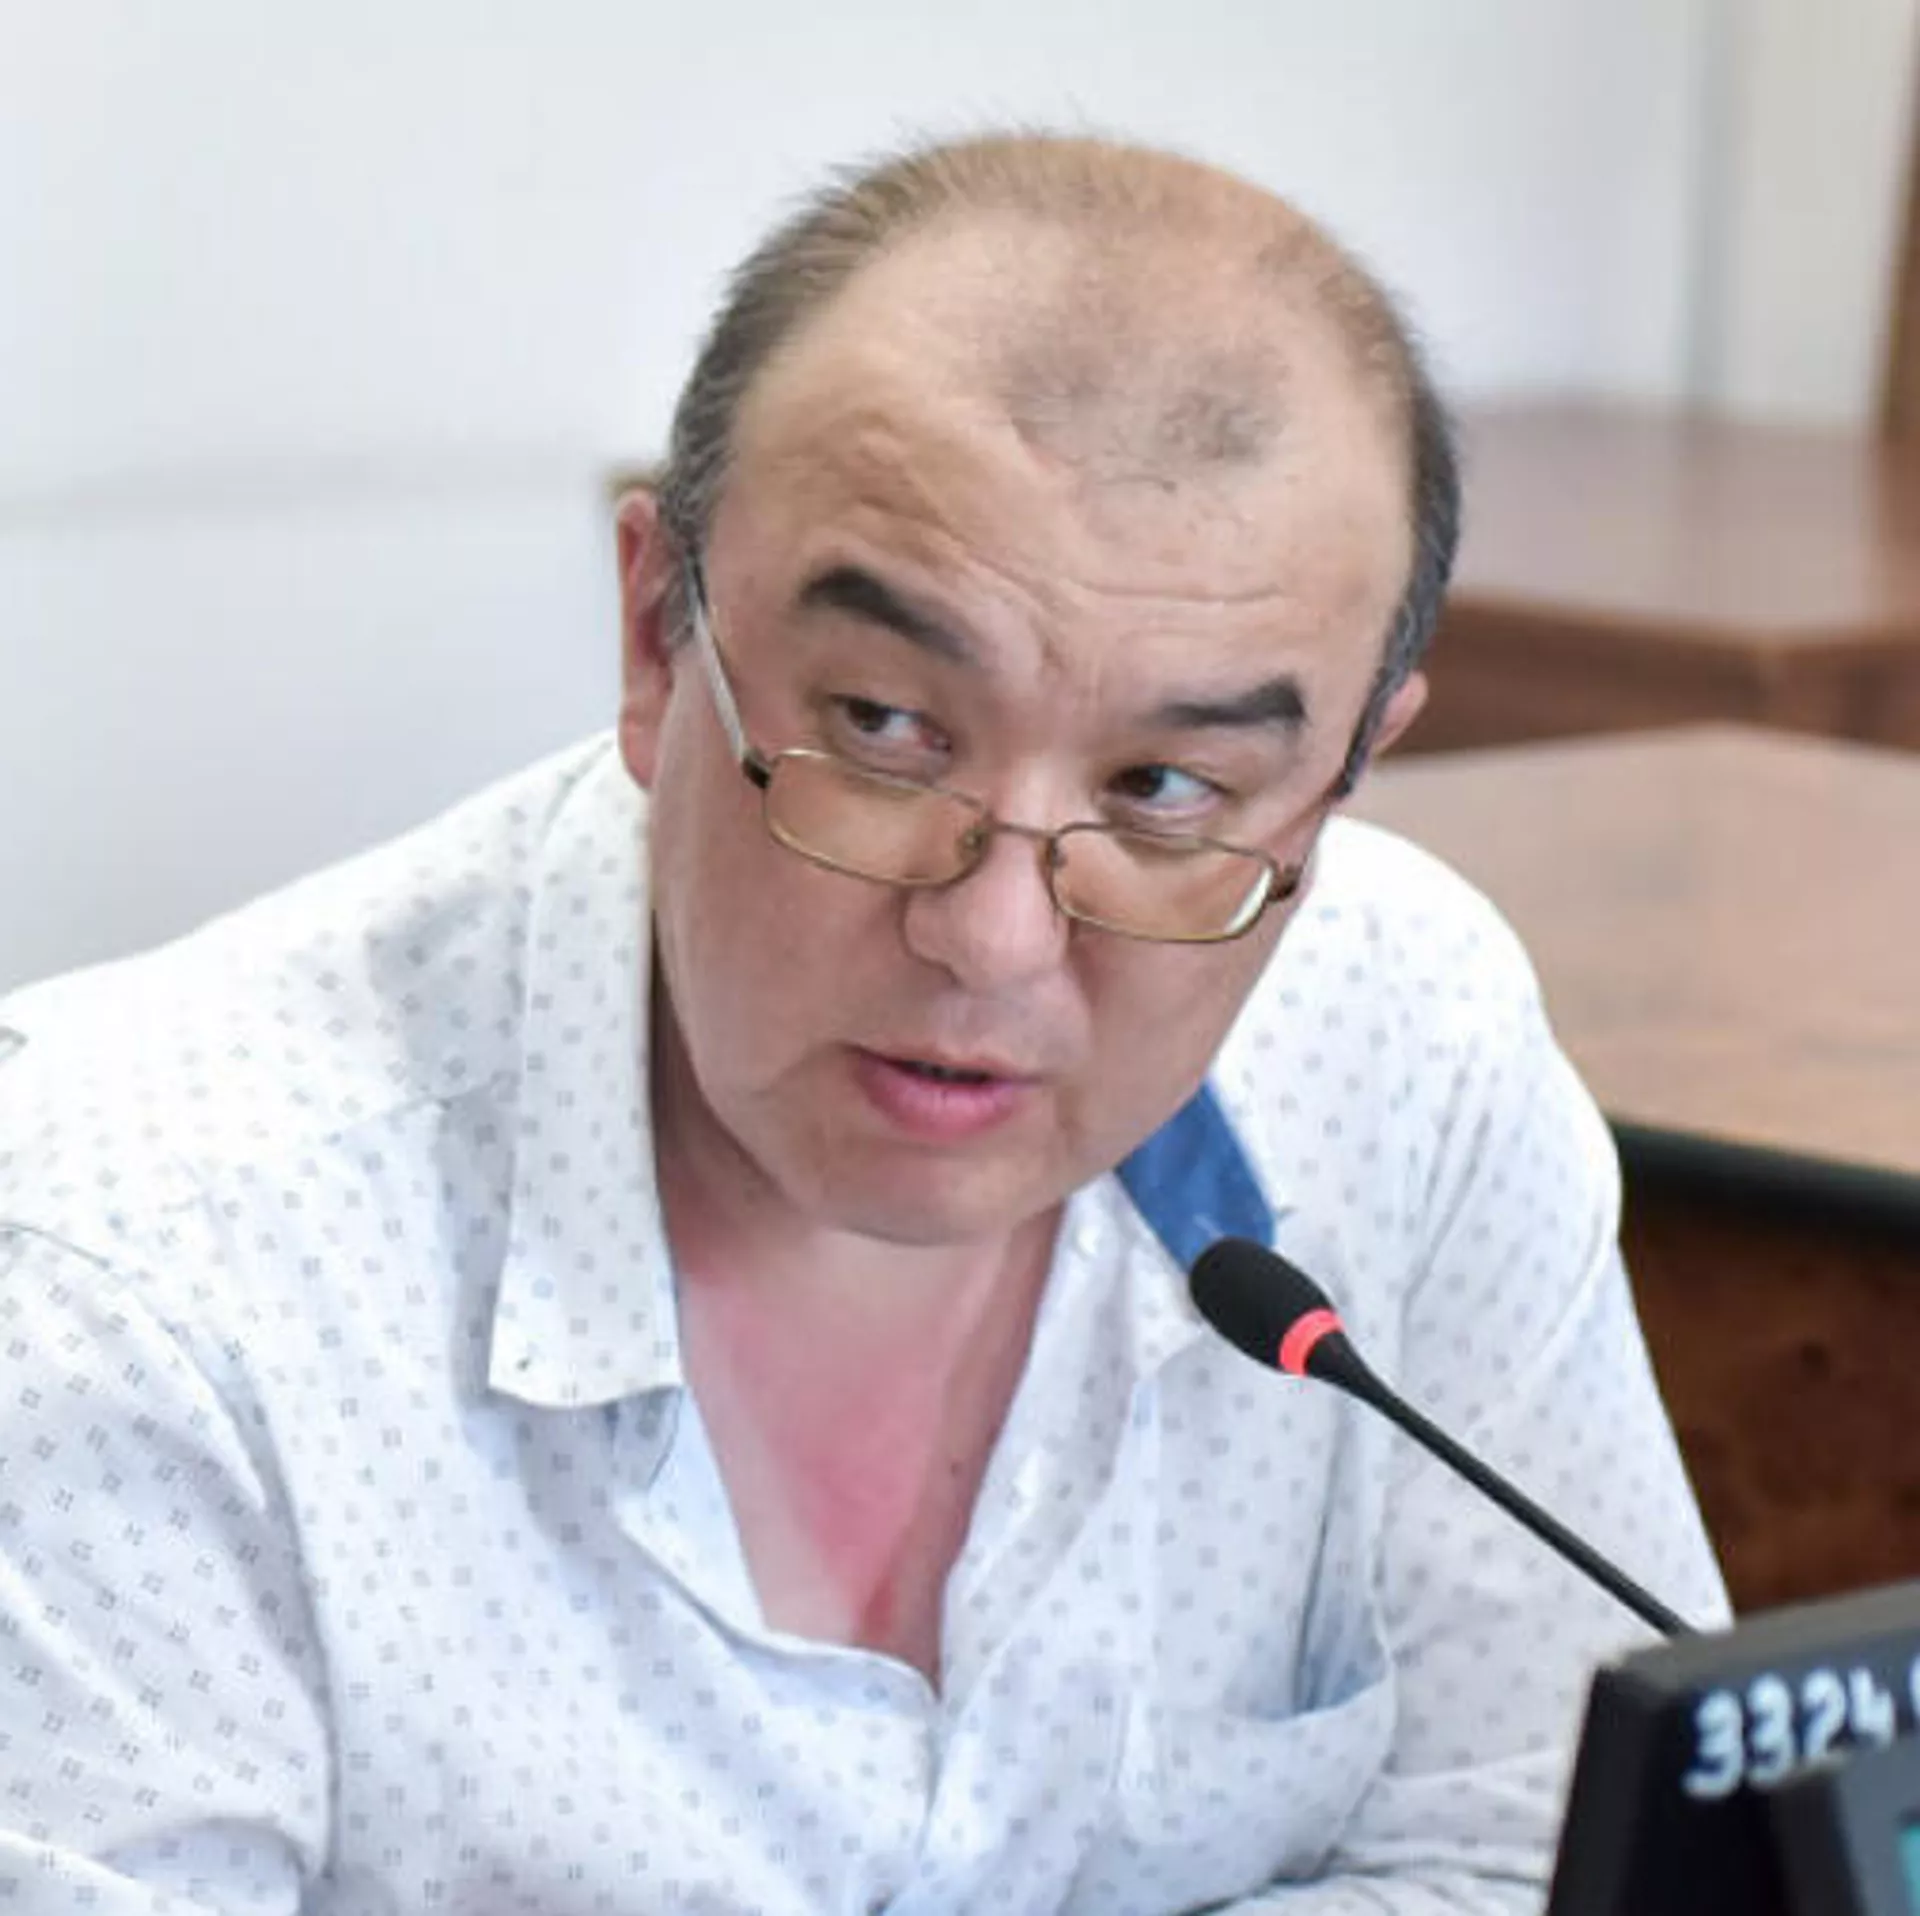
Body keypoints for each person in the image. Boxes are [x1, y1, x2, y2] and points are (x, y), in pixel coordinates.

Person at [0, 132, 1725, 1914]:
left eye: (1163, 791)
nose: (990, 938)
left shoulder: (1407, 1048)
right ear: (656, 636)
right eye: (888, 730)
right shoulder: (133, 1275)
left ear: (1354, 764)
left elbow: (1558, 1862)